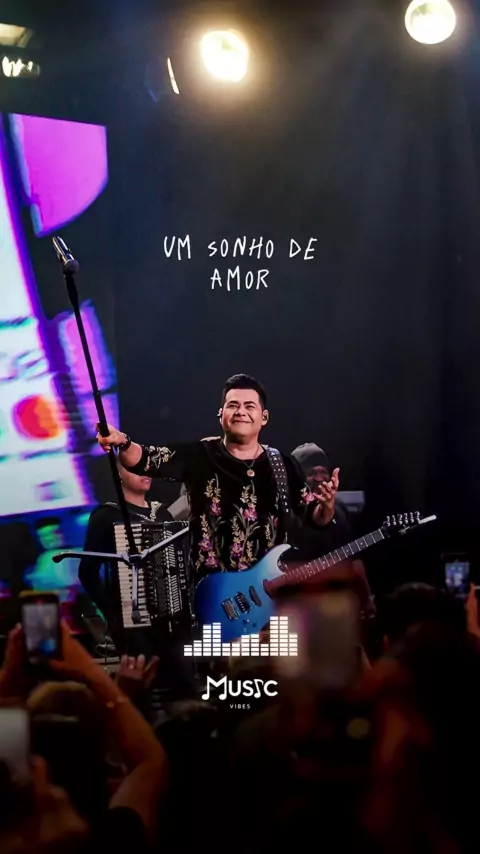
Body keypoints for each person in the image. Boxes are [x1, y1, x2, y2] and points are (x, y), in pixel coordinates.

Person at [96, 375, 338, 585]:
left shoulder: (283, 464)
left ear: (264, 417)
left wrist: (327, 507)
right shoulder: (199, 456)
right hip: (213, 597)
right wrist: (122, 442)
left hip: (271, 597)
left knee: (279, 630)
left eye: (249, 406)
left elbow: (315, 518)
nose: (241, 411)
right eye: (233, 405)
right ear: (221, 414)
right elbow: (146, 459)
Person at [78, 462, 173, 654]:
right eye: (135, 469)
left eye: (147, 467)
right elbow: (87, 572)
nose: (145, 472)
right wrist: (113, 613)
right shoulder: (106, 516)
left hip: (170, 622)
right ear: (119, 474)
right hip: (132, 626)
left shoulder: (164, 514)